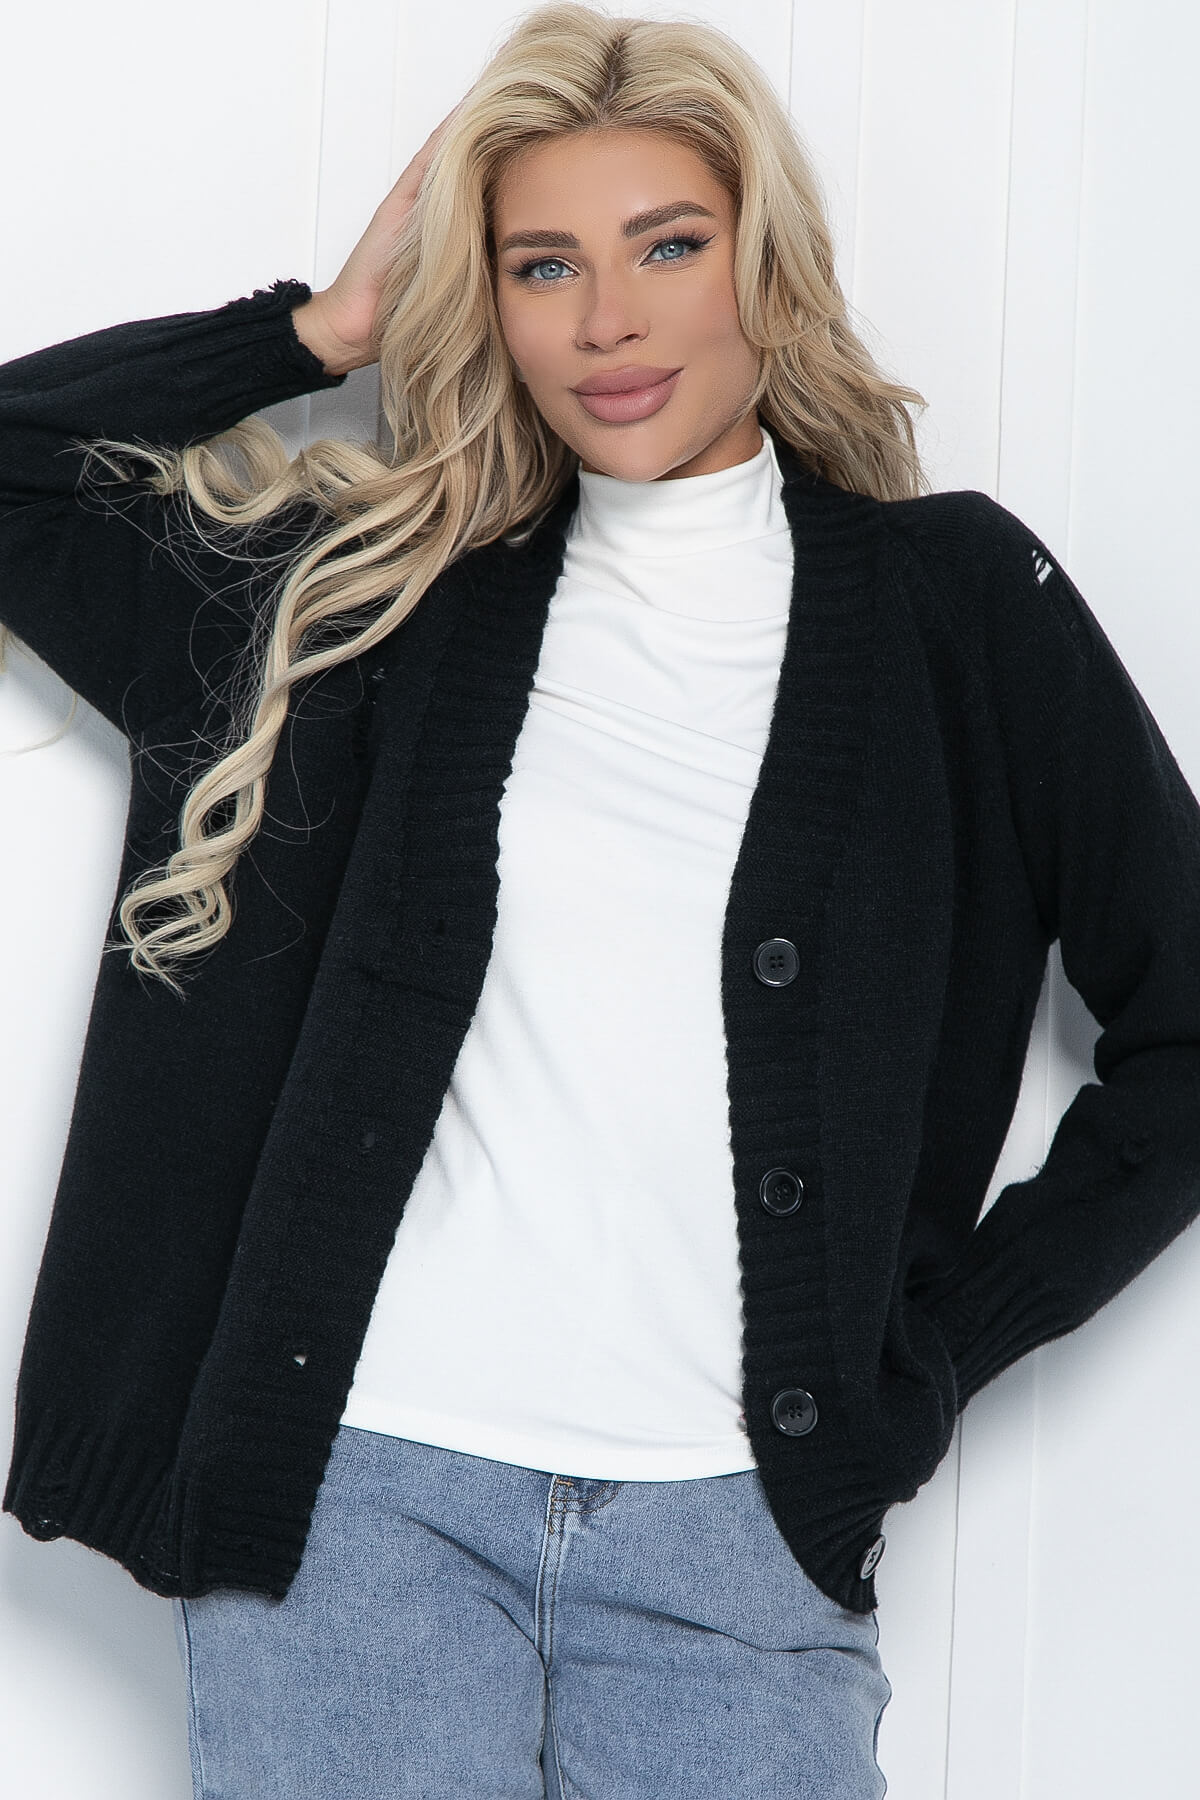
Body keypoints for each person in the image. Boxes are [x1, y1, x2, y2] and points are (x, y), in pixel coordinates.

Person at [3, 4, 1200, 1796]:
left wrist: (933, 1358)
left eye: (669, 246)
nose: (607, 320)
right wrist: (319, 330)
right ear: (486, 300)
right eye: (542, 264)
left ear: (764, 266)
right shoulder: (375, 607)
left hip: (740, 1542)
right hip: (359, 1515)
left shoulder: (954, 609)